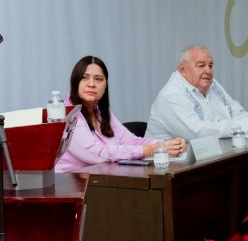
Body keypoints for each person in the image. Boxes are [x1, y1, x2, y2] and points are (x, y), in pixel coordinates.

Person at [54, 55, 187, 172]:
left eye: (98, 79)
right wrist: (151, 149)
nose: (92, 84)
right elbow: (96, 154)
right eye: (85, 78)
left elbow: (132, 141)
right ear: (75, 82)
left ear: (105, 85)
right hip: (71, 185)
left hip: (101, 180)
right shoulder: (66, 113)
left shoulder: (101, 112)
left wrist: (167, 144)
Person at [145, 45, 248, 141]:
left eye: (210, 66)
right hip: (168, 164)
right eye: (201, 66)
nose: (208, 71)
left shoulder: (212, 84)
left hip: (208, 157)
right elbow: (198, 133)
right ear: (183, 70)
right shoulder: (171, 95)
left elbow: (234, 112)